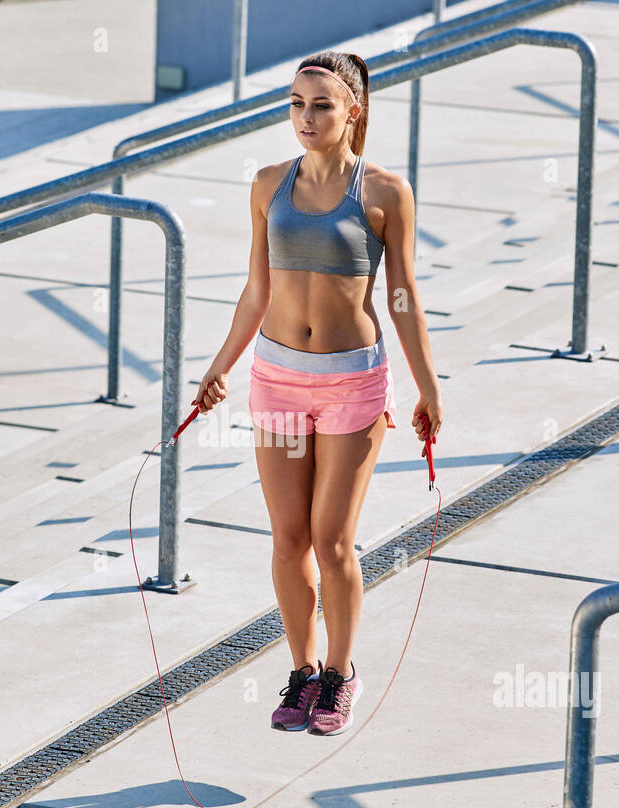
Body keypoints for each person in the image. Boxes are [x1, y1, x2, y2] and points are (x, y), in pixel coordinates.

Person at [190, 50, 443, 736]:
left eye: (322, 105)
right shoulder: (269, 183)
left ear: (352, 112)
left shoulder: (385, 191)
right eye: (297, 103)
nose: (305, 117)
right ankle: (301, 672)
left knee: (333, 542)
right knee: (287, 538)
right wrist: (218, 367)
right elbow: (256, 289)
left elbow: (402, 295)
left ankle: (340, 674)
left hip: (352, 386)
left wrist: (427, 387)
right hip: (275, 381)